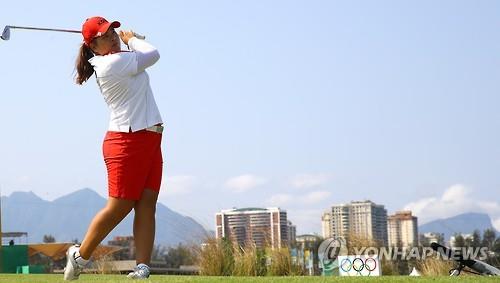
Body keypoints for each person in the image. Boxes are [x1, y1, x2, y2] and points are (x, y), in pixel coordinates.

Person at [64, 16, 163, 280]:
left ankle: (142, 268)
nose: (112, 37)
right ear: (93, 47)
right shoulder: (112, 63)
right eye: (105, 36)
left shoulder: (121, 59)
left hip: (150, 140)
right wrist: (133, 39)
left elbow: (143, 57)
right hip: (126, 142)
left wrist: (130, 43)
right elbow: (153, 54)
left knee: (146, 205)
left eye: (113, 32)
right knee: (119, 206)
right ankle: (79, 255)